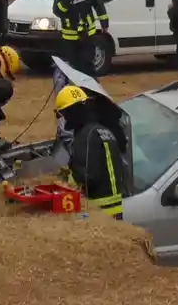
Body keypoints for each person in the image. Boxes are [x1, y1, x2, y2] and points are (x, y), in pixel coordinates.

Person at [53, 85, 126, 218]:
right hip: (115, 209)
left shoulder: (87, 135)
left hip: (101, 210)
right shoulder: (102, 130)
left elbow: (88, 177)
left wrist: (65, 177)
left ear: (71, 112)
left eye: (62, 114)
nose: (63, 119)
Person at [53, 0, 108, 74]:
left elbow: (99, 5)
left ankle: (90, 81)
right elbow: (57, 11)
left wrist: (104, 23)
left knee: (88, 61)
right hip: (70, 37)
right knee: (73, 64)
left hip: (87, 34)